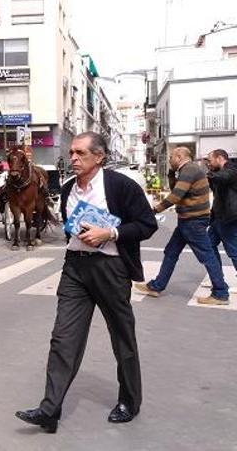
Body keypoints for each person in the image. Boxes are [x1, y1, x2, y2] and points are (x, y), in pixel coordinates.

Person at [16, 132, 157, 433]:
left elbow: (147, 224)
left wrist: (110, 234)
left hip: (111, 268)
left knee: (122, 338)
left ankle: (130, 401)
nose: (74, 158)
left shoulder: (121, 187)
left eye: (80, 153)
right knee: (63, 338)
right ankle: (49, 410)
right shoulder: (68, 189)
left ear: (99, 156)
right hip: (75, 270)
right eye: (72, 153)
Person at [134, 147, 230, 305]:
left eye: (171, 156)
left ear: (179, 156)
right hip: (188, 220)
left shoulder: (190, 170)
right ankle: (157, 286)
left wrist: (153, 210)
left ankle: (220, 293)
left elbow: (175, 196)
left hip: (193, 221)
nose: (170, 159)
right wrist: (171, 173)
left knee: (207, 256)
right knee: (171, 252)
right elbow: (177, 190)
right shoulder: (188, 170)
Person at [205, 149, 237, 287]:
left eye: (210, 160)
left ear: (219, 158)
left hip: (229, 217)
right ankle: (218, 279)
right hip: (218, 218)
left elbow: (225, 177)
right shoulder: (218, 174)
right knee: (209, 246)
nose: (209, 164)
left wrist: (208, 174)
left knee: (233, 251)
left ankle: (218, 281)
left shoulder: (232, 169)